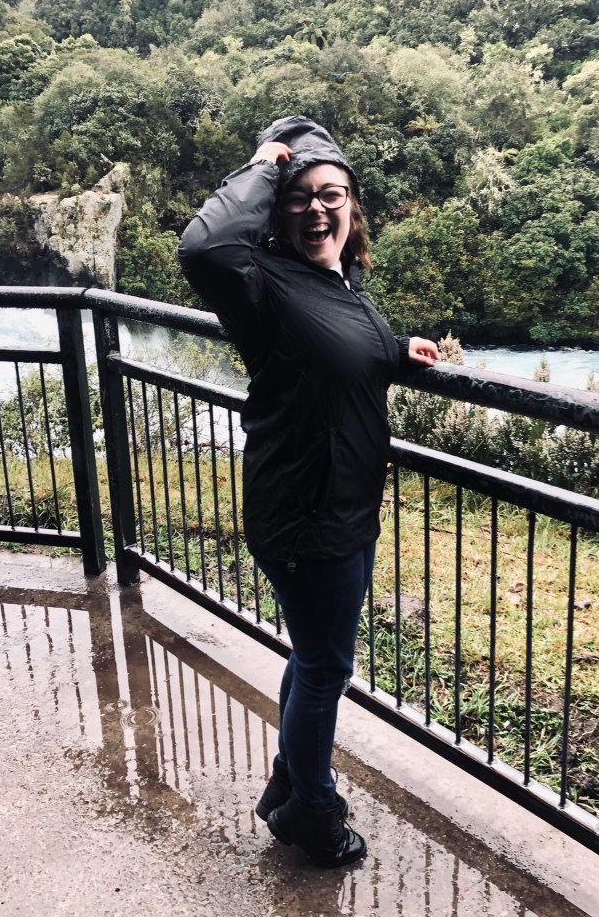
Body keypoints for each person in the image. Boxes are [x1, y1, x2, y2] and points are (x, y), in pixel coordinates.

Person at [177, 116, 440, 868]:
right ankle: (313, 812)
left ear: (353, 206)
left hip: (346, 510)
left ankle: (288, 790)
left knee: (314, 657)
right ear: (273, 208)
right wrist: (265, 163)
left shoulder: (340, 281)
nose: (319, 210)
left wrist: (396, 350)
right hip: (304, 513)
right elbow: (201, 246)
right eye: (298, 198)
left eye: (333, 194)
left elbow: (340, 350)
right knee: (325, 667)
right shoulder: (260, 283)